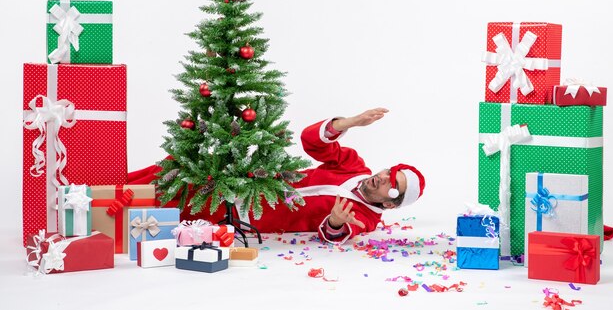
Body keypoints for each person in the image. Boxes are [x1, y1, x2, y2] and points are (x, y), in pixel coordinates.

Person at [128, 107, 426, 245]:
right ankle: (110, 192)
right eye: (389, 172)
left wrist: (335, 222)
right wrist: (350, 122)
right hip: (249, 181)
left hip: (255, 215)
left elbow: (334, 234)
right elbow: (312, 139)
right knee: (177, 171)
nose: (384, 177)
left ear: (390, 204)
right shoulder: (352, 165)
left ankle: (116, 219)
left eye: (392, 184)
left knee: (182, 210)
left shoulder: (366, 219)